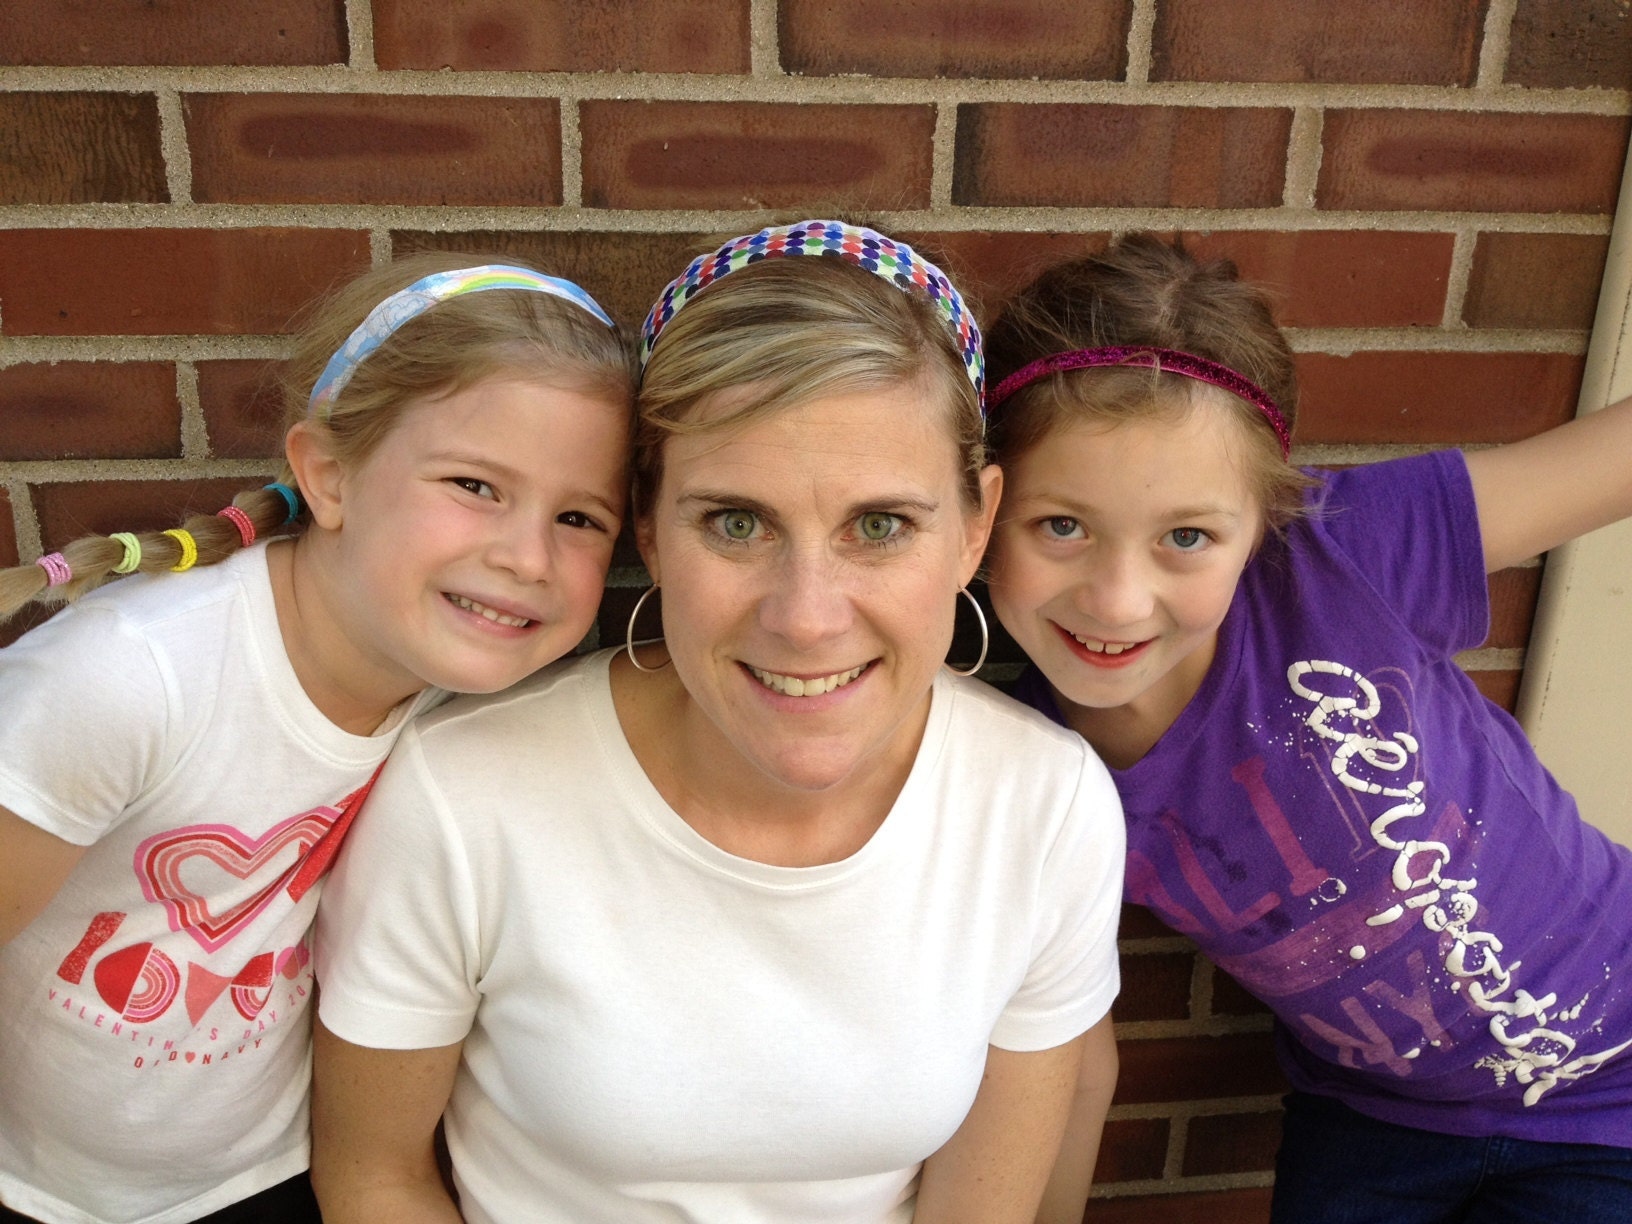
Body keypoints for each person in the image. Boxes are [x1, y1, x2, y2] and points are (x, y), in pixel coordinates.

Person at [309, 219, 1126, 1224]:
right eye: (736, 523)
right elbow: (374, 1177)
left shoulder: (1043, 808)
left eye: (879, 526)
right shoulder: (465, 796)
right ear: (650, 527)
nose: (806, 617)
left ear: (974, 527)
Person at [981, 233, 1632, 1223]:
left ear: (1263, 519)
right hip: (1375, 1122)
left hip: (1617, 1084)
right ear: (985, 512)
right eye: (1061, 525)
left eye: (1187, 537)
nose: (1116, 600)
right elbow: (1067, 1060)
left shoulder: (1344, 554)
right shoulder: (1029, 772)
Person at [0, 256, 635, 1224]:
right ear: (330, 476)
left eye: (579, 517)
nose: (526, 557)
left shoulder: (468, 694)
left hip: (269, 1174)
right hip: (39, 1192)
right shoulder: (131, 680)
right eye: (475, 485)